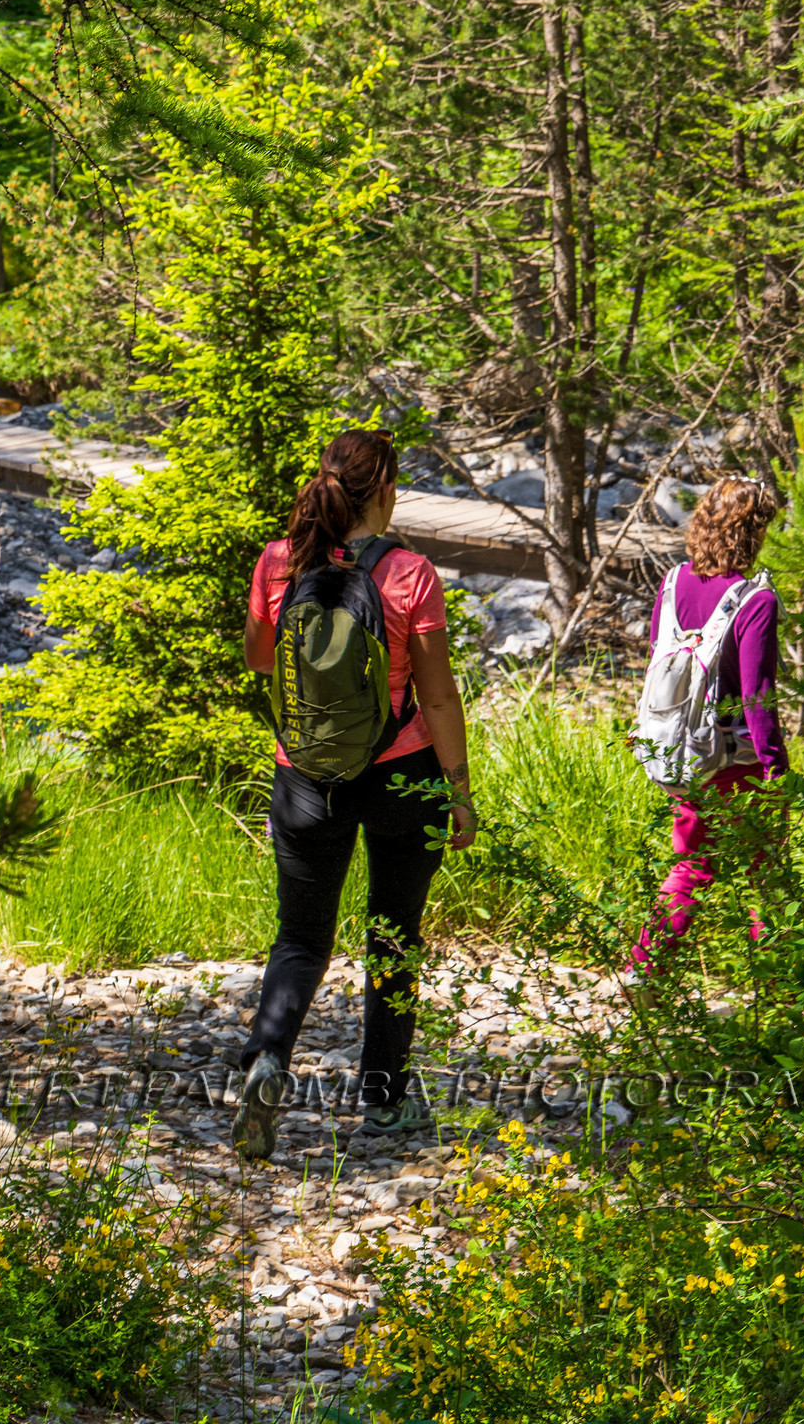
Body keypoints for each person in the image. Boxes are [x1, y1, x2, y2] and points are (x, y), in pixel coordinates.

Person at [235, 427, 476, 1158]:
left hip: (305, 775)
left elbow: (258, 659)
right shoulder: (410, 573)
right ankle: (385, 1102)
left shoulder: (280, 560)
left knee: (301, 937)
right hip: (403, 775)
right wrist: (460, 792)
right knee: (393, 935)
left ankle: (268, 1063)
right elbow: (438, 696)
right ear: (386, 490)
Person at [632, 475, 787, 972]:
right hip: (737, 761)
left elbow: (658, 658)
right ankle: (780, 987)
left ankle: (645, 973)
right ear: (754, 533)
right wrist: (776, 770)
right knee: (767, 877)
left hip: (682, 753)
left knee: (692, 867)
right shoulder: (755, 600)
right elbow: (758, 697)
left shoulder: (672, 582)